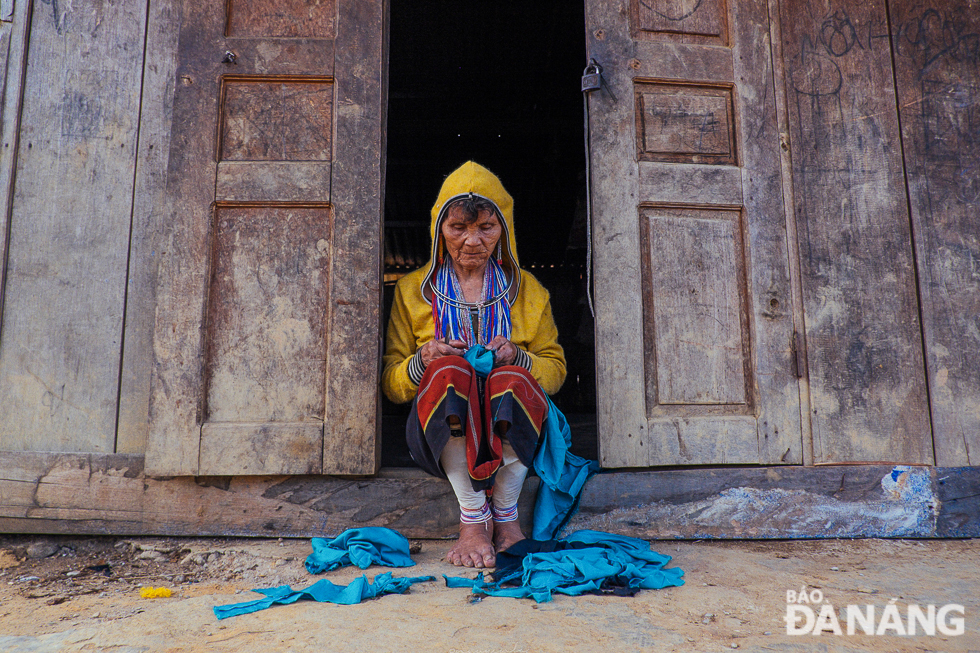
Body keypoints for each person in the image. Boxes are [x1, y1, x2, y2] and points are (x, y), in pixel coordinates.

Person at [382, 161, 566, 568]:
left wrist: (517, 356)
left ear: (505, 230)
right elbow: (391, 384)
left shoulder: (529, 291)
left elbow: (554, 372)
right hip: (439, 430)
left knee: (512, 377)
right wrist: (422, 360)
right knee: (450, 373)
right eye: (458, 228)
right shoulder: (413, 291)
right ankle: (472, 517)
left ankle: (505, 514)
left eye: (486, 227)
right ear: (439, 231)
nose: (472, 240)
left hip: (512, 419)